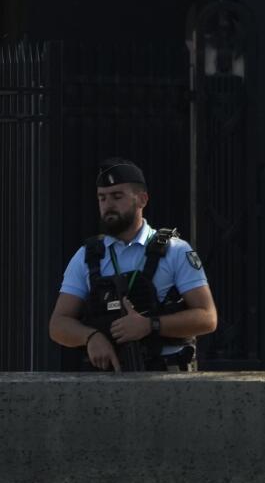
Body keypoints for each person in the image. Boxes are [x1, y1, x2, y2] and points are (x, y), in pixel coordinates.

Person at [48, 159, 218, 372]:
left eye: (117, 196)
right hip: (108, 380)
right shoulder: (87, 256)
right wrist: (91, 337)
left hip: (166, 379)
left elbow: (207, 318)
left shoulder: (176, 251)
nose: (108, 204)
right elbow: (58, 324)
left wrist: (150, 326)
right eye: (102, 198)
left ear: (142, 199)